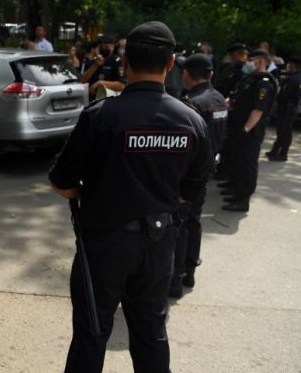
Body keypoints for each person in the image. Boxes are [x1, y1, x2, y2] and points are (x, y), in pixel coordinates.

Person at [49, 21, 211, 373]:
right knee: (151, 333)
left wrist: (92, 195)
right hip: (158, 243)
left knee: (91, 334)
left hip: (104, 242)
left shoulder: (100, 116)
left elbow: (61, 181)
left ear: (125, 63)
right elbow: (192, 192)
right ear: (170, 64)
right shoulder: (192, 121)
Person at [170, 53, 228, 298]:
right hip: (206, 170)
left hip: (190, 173)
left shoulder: (193, 103)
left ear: (187, 74)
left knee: (180, 224)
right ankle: (190, 269)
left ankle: (177, 277)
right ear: (211, 74)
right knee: (193, 221)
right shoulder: (218, 99)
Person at [220, 49, 277, 212]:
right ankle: (236, 190)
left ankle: (243, 199)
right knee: (237, 159)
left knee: (247, 164)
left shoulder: (264, 82)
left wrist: (246, 129)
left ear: (260, 62)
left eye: (250, 60)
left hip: (251, 130)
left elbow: (258, 110)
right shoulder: (251, 79)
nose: (247, 63)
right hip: (239, 126)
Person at [266, 56, 300, 161]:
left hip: (288, 107)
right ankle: (275, 150)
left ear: (294, 66)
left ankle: (282, 153)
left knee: (285, 130)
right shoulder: (293, 77)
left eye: (290, 65)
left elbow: (286, 94)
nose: (288, 67)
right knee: (281, 129)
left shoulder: (295, 78)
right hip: (287, 106)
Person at [82, 36, 126, 100]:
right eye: (101, 45)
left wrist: (100, 83)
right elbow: (83, 80)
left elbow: (121, 85)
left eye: (106, 45)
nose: (103, 47)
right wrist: (95, 66)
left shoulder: (116, 61)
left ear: (112, 47)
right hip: (92, 100)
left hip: (108, 99)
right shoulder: (95, 60)